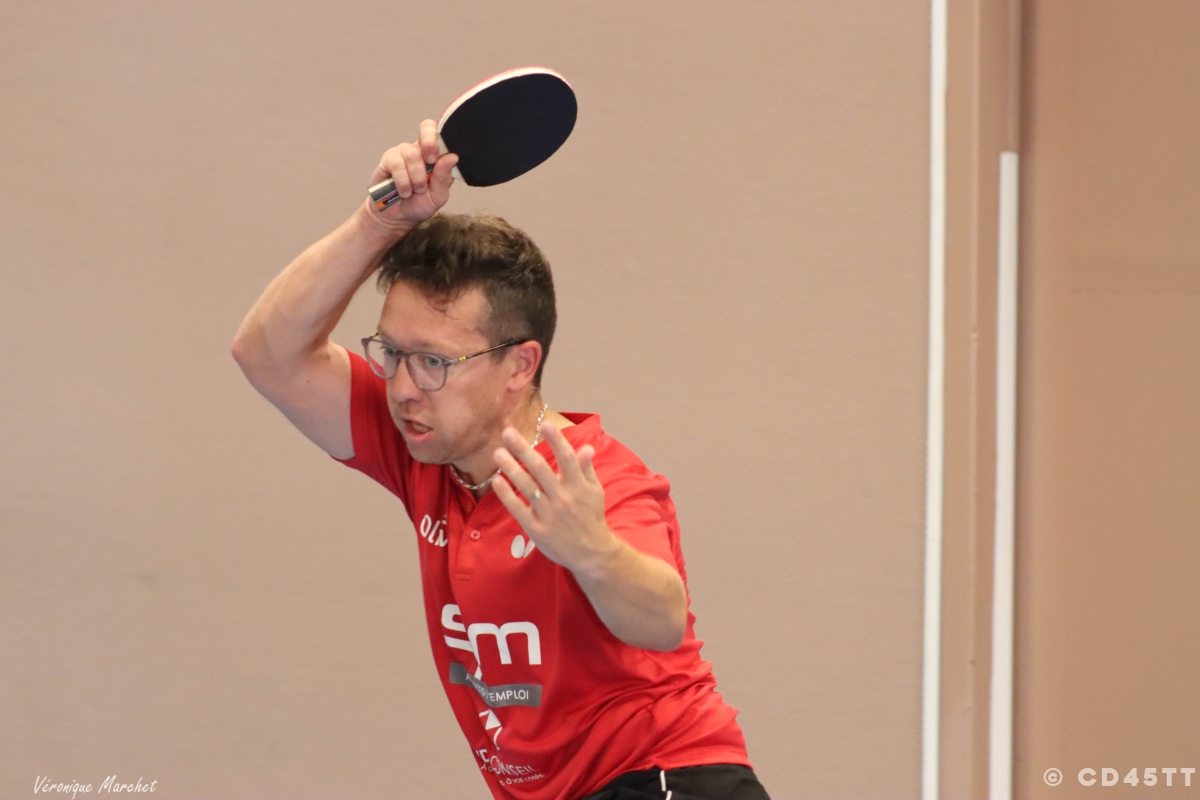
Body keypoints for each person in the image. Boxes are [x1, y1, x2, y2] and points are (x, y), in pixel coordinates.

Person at [232, 120, 769, 800]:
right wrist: (379, 223)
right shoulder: (424, 448)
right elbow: (268, 354)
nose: (402, 387)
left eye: (433, 361)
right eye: (391, 353)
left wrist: (595, 555)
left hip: (665, 779)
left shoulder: (589, 477)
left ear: (520, 366)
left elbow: (662, 619)